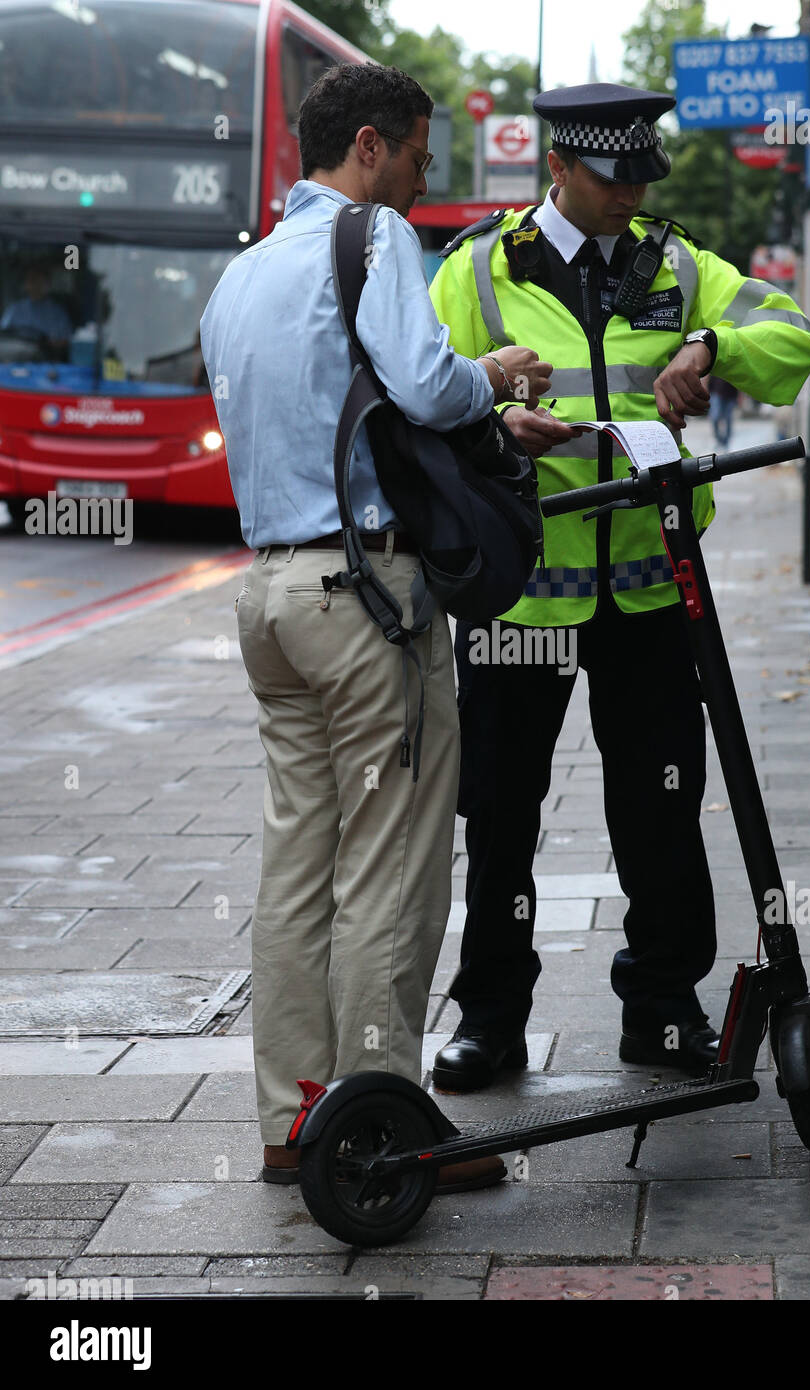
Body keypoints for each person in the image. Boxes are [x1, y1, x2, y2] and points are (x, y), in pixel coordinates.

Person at [429, 82, 810, 1091]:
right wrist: (491, 410)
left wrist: (712, 346)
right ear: (558, 169)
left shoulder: (680, 265)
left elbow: (795, 342)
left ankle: (661, 1005)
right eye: (612, 178)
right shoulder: (478, 267)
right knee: (502, 811)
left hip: (651, 595)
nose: (629, 197)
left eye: (642, 177)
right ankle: (490, 1020)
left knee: (661, 803)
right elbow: (414, 393)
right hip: (525, 594)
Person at [199, 62, 550, 1185]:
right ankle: (384, 1122)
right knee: (392, 870)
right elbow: (426, 385)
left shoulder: (240, 277)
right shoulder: (373, 239)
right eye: (416, 151)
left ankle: (293, 1123)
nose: (424, 171)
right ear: (367, 145)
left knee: (296, 869)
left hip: (270, 599)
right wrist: (488, 377)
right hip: (365, 599)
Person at [1, 266, 72, 354]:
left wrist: (47, 344)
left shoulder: (57, 313)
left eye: (40, 281)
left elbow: (66, 340)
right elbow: (3, 335)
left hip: (45, 359)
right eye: (32, 280)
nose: (35, 285)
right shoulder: (14, 309)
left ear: (48, 284)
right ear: (26, 284)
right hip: (14, 357)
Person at [709, 374, 739, 449]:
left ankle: (726, 441)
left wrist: (739, 396)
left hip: (731, 395)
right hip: (716, 392)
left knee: (728, 418)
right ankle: (718, 439)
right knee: (715, 416)